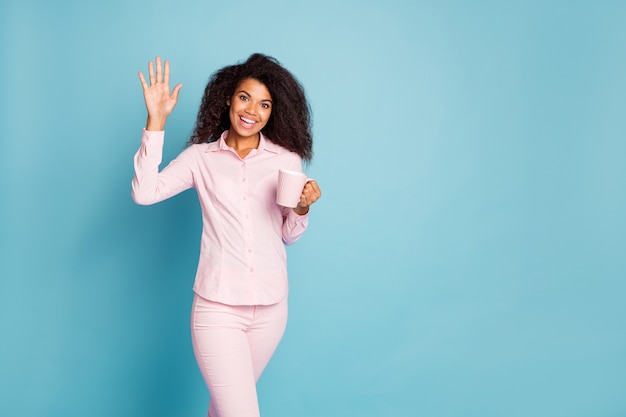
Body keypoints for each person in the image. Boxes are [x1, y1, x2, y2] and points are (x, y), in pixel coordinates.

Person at [132, 54, 321, 417]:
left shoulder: (286, 159)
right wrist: (155, 122)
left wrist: (300, 209)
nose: (253, 110)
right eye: (245, 98)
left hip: (271, 309)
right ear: (228, 100)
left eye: (264, 104)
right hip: (217, 309)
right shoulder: (200, 159)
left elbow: (288, 235)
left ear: (273, 112)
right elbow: (145, 193)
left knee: (224, 410)